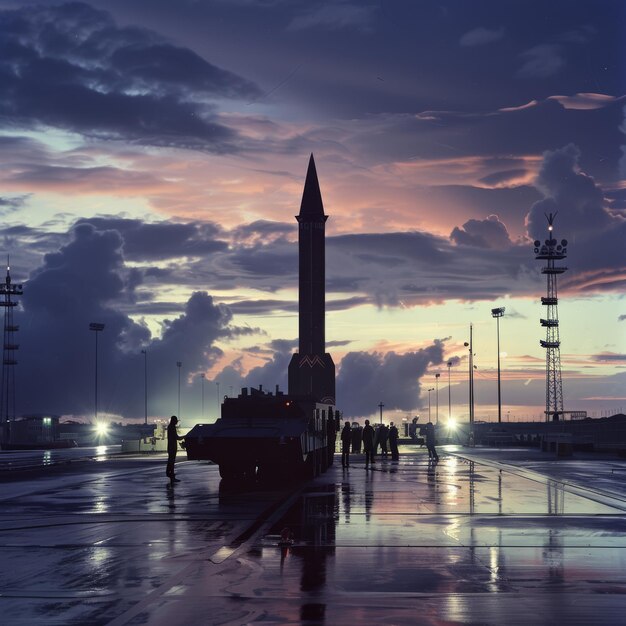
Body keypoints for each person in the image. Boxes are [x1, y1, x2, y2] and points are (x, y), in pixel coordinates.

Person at [166, 415, 185, 486]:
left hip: (170, 447)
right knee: (172, 462)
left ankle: (170, 475)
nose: (177, 422)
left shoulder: (170, 427)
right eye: (176, 420)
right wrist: (185, 436)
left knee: (170, 462)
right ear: (174, 421)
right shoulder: (172, 427)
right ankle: (171, 476)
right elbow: (176, 437)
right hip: (172, 447)